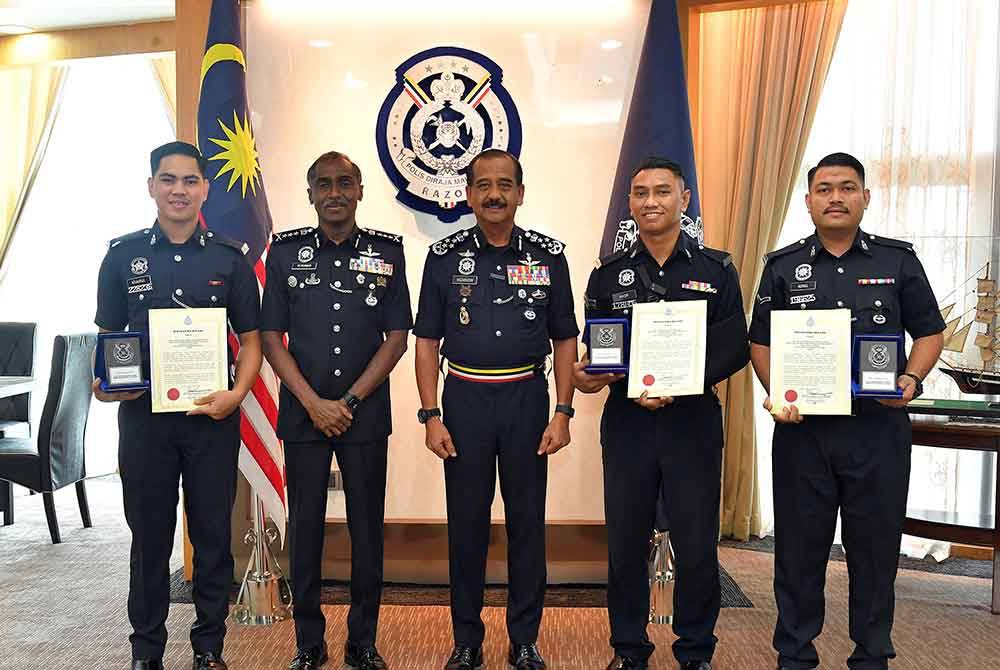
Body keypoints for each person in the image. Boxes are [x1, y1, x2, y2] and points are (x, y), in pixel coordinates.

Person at [748, 152, 945, 670]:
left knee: (875, 551)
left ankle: (872, 654)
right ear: (808, 200)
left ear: (865, 198)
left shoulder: (897, 261)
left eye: (847, 187)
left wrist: (911, 378)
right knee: (797, 553)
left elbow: (929, 331)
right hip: (803, 435)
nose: (836, 197)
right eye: (825, 188)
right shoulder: (783, 266)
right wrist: (778, 393)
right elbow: (761, 344)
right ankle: (794, 654)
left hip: (877, 431)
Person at [573, 156, 749, 670]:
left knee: (696, 547)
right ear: (630, 204)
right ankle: (629, 651)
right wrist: (594, 376)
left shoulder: (716, 270)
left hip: (691, 423)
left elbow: (733, 346)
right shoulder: (608, 275)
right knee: (625, 546)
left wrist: (677, 385)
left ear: (684, 199)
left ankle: (695, 651)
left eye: (662, 192)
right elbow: (601, 350)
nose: (651, 202)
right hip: (628, 424)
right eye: (641, 193)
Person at [93, 141, 262, 670]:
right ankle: (146, 651)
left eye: (190, 180)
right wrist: (105, 386)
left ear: (205, 189)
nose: (179, 191)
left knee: (212, 537)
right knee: (149, 539)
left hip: (211, 418)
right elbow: (108, 341)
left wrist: (236, 395)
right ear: (151, 187)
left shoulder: (230, 258)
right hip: (144, 423)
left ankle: (209, 648)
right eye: (168, 180)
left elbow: (252, 340)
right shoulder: (122, 256)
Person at [413, 149, 578, 670]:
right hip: (463, 401)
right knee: (467, 526)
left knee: (528, 525)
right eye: (483, 185)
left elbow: (565, 339)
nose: (494, 194)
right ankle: (467, 639)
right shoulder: (443, 257)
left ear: (521, 193)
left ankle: (524, 637)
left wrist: (563, 411)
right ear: (468, 194)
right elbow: (426, 343)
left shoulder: (549, 257)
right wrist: (430, 414)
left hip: (527, 400)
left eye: (505, 185)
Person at [260, 151, 411, 670]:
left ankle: (362, 641)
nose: (334, 193)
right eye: (323, 184)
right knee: (305, 529)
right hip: (303, 415)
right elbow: (271, 338)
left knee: (367, 529)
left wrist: (346, 402)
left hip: (364, 415)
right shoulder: (284, 253)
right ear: (310, 194)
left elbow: (396, 339)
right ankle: (308, 642)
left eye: (344, 182)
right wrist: (311, 403)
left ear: (360, 189)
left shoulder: (389, 253)